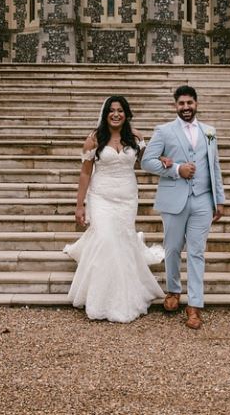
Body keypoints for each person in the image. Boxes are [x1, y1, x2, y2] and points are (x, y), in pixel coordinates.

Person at [63, 95, 165, 323]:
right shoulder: (94, 139)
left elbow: (147, 162)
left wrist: (164, 160)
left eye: (120, 110)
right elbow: (85, 173)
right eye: (112, 110)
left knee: (122, 241)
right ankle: (99, 298)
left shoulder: (136, 137)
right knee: (106, 239)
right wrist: (79, 205)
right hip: (101, 197)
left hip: (127, 198)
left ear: (126, 114)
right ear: (105, 113)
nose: (116, 114)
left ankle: (124, 295)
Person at [141, 85, 225, 330]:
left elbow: (214, 166)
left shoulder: (209, 132)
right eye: (181, 103)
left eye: (189, 103)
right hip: (174, 198)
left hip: (203, 199)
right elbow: (146, 161)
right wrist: (177, 169)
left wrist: (219, 199)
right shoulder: (164, 131)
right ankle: (173, 290)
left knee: (197, 252)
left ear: (196, 104)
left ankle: (195, 305)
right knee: (173, 248)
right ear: (175, 106)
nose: (186, 107)